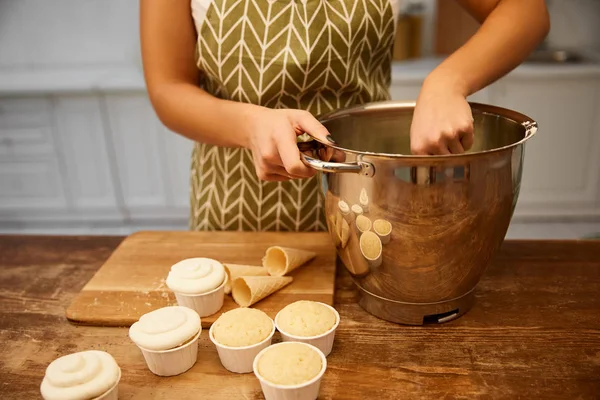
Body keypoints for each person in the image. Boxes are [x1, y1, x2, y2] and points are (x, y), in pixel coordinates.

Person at [140, 0, 550, 232]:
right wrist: (251, 125)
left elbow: (525, 12)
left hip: (367, 204)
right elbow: (168, 87)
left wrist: (448, 81)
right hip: (235, 208)